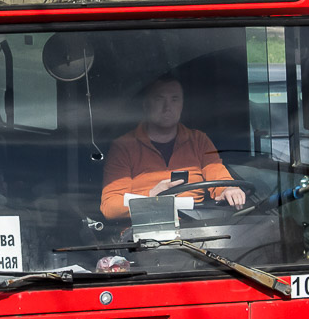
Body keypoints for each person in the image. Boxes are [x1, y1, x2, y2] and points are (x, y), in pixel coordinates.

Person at [99, 75, 246, 221]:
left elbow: (219, 176)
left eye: (174, 99)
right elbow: (110, 207)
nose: (167, 107)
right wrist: (150, 197)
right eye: (159, 99)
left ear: (182, 105)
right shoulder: (124, 147)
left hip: (198, 228)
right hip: (144, 231)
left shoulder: (199, 140)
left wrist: (228, 190)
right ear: (145, 105)